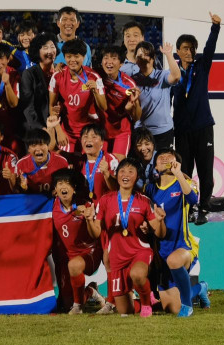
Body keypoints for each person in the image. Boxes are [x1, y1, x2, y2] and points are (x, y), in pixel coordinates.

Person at [88, 157, 166, 317]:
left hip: (139, 252)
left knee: (137, 274)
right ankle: (148, 300)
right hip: (117, 258)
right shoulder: (105, 201)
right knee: (124, 311)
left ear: (137, 176)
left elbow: (159, 233)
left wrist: (159, 222)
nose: (126, 175)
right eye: (122, 171)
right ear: (116, 175)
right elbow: (96, 232)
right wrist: (89, 220)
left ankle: (146, 303)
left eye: (131, 171)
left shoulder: (144, 201)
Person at [146, 148, 210, 317]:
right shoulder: (151, 189)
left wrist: (179, 173)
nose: (165, 158)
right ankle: (200, 288)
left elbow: (192, 200)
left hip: (183, 247)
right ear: (155, 166)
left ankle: (188, 307)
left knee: (174, 260)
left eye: (169, 156)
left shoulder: (184, 183)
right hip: (161, 250)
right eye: (160, 157)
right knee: (172, 308)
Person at [172, 12, 221, 225]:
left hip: (203, 127)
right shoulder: (172, 73)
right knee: (185, 171)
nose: (190, 51)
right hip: (182, 129)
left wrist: (215, 27)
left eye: (193, 48)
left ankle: (204, 207)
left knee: (205, 171)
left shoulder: (201, 66)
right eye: (185, 48)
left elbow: (210, 47)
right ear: (177, 51)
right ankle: (190, 207)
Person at [51, 169, 105, 314]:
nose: (64, 187)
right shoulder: (51, 206)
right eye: (60, 183)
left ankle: (78, 306)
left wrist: (88, 219)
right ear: (55, 190)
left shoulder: (86, 206)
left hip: (89, 253)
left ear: (74, 189)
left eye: (68, 184)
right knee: (66, 303)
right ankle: (91, 292)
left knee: (74, 264)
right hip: (68, 257)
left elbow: (95, 235)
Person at [49, 39, 106, 153]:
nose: (72, 60)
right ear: (64, 57)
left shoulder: (94, 77)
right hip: (67, 131)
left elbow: (103, 107)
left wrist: (95, 90)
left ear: (84, 57)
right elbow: (52, 106)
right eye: (69, 56)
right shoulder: (57, 76)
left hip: (89, 131)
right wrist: (59, 131)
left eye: (76, 56)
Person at [133, 40, 181, 150]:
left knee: (164, 165)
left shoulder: (162, 75)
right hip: (141, 132)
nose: (143, 57)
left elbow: (176, 76)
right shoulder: (132, 81)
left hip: (163, 132)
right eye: (140, 55)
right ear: (136, 60)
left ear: (153, 57)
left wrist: (169, 54)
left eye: (146, 54)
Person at [98, 46, 141, 159]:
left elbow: (136, 117)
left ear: (121, 64)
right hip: (101, 131)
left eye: (114, 58)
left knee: (117, 166)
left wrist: (133, 104)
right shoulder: (96, 76)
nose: (109, 62)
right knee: (100, 167)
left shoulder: (129, 84)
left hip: (121, 131)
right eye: (106, 58)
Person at [20, 34, 58, 131]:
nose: (50, 51)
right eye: (45, 48)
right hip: (38, 128)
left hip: (60, 127)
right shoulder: (29, 74)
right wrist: (41, 128)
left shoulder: (62, 70)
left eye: (52, 47)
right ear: (37, 52)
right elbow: (28, 106)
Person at [15, 129, 69, 194]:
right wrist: (24, 188)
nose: (38, 149)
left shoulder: (61, 162)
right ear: (28, 149)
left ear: (48, 146)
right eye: (34, 145)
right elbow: (18, 192)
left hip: (55, 201)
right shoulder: (21, 164)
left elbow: (67, 187)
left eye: (41, 144)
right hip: (33, 201)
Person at [75, 124, 118, 200]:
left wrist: (106, 174)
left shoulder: (110, 159)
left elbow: (117, 189)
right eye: (85, 136)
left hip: (106, 207)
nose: (89, 140)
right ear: (81, 140)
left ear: (102, 142)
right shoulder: (79, 161)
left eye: (94, 137)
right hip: (86, 208)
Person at [130, 127, 157, 191]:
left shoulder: (162, 160)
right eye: (139, 145)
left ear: (153, 144)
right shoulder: (134, 163)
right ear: (134, 148)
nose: (143, 148)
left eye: (147, 144)